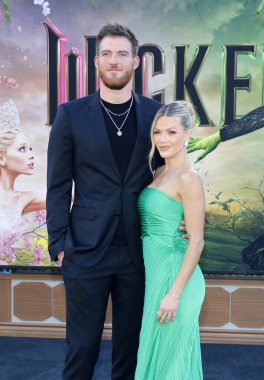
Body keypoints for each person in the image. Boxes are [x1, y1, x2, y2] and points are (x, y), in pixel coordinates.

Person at [47, 23, 188, 379]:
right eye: (107, 54)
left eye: (122, 54)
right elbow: (58, 184)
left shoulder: (154, 115)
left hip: (140, 251)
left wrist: (181, 215)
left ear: (136, 62)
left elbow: (169, 174)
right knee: (82, 350)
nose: (114, 61)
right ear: (97, 62)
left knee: (131, 351)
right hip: (84, 250)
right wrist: (59, 243)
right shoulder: (71, 114)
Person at [135, 101, 205, 379]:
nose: (162, 139)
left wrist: (174, 295)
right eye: (157, 132)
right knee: (156, 355)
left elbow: (197, 241)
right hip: (155, 273)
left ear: (188, 134)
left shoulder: (189, 178)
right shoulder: (159, 172)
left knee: (173, 362)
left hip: (176, 278)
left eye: (171, 132)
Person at [0, 99, 45, 262]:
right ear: (1, 157)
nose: (31, 154)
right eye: (22, 149)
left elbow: (69, 194)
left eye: (30, 148)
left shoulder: (25, 199)